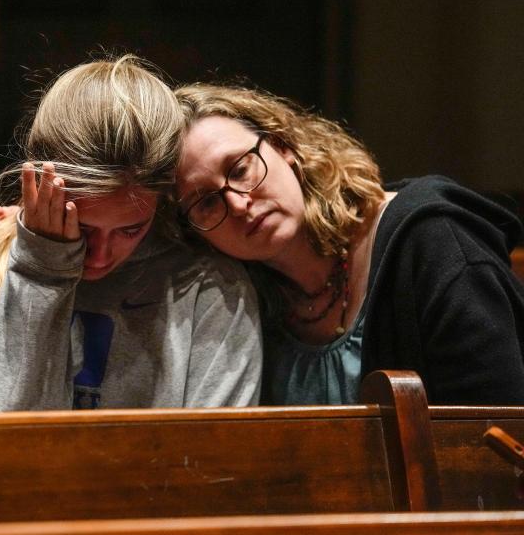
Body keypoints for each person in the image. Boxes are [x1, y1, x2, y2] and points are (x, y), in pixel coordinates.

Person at [0, 56, 262, 413]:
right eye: (83, 229)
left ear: (163, 202)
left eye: (131, 229)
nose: (100, 256)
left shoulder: (210, 288)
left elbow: (214, 462)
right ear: (36, 185)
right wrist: (41, 267)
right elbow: (6, 447)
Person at [173, 83, 524, 405]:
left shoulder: (432, 239)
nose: (238, 204)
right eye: (206, 203)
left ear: (283, 146)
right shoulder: (240, 301)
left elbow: (495, 436)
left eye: (239, 170)